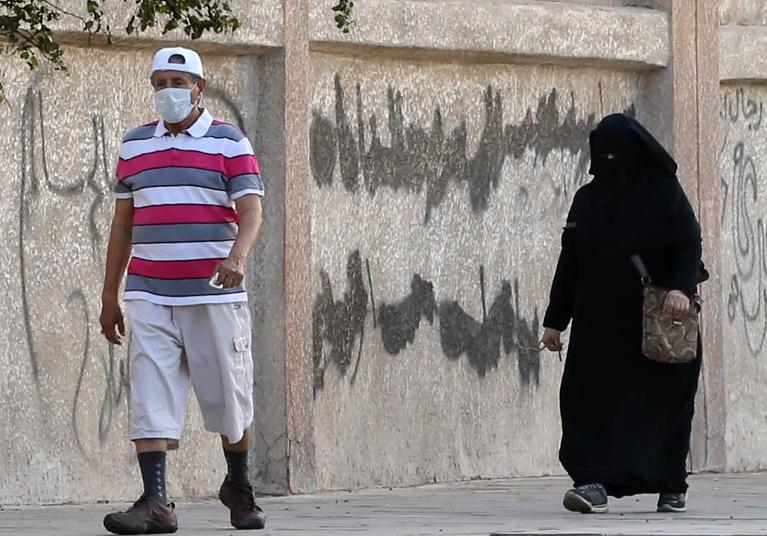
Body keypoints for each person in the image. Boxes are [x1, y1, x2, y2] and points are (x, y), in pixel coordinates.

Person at [99, 46, 266, 533]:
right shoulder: (134, 145)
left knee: (229, 398)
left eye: (178, 82)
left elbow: (251, 211)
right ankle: (155, 502)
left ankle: (238, 486)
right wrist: (110, 296)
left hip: (213, 293)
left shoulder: (229, 142)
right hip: (149, 292)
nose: (167, 91)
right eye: (159, 83)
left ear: (199, 87)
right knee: (150, 395)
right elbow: (122, 226)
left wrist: (237, 257)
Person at [541, 113, 706, 514]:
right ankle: (590, 482)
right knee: (585, 401)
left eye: (618, 155)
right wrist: (554, 321)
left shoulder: (664, 193)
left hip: (657, 321)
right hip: (597, 323)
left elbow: (688, 242)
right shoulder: (587, 199)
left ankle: (670, 483)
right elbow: (570, 262)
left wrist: (681, 289)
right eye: (604, 155)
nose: (610, 162)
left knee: (663, 404)